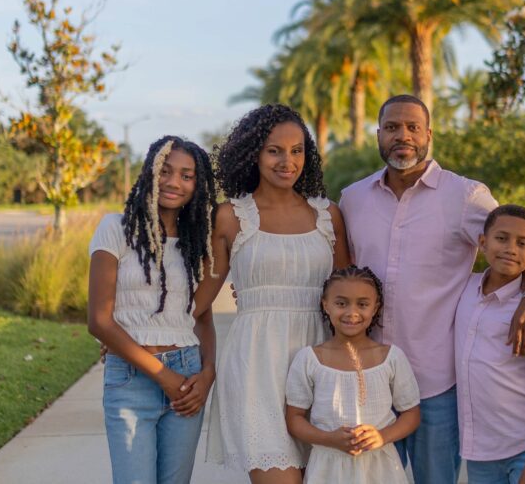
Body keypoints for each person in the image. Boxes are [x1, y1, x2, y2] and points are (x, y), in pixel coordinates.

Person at [339, 94, 525, 483]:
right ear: (378, 135)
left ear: (428, 134)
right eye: (391, 127)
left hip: (435, 383)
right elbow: (338, 275)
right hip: (367, 377)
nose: (402, 135)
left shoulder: (465, 196)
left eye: (412, 127)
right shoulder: (353, 199)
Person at [200, 104, 350, 484]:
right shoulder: (230, 217)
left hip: (321, 366)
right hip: (255, 366)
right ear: (253, 154)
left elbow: (349, 294)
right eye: (274, 150)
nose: (288, 161)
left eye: (297, 150)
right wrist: (136, 335)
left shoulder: (328, 215)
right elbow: (197, 301)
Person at [87, 136, 219, 484]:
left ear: (198, 184)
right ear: (149, 172)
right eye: (165, 170)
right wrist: (163, 376)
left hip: (189, 376)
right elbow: (99, 321)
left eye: (187, 175)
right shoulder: (115, 229)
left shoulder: (197, 243)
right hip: (131, 379)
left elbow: (200, 316)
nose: (174, 182)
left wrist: (208, 374)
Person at [456, 205, 525, 484]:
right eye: (501, 238)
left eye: (522, 243)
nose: (511, 249)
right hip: (481, 451)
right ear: (482, 242)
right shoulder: (465, 290)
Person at [286, 265, 421, 484]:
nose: (352, 312)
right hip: (328, 470)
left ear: (375, 307)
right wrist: (329, 439)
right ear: (326, 305)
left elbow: (411, 414)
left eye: (362, 304)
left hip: (381, 469)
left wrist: (381, 436)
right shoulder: (310, 359)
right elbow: (294, 418)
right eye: (341, 303)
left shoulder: (391, 357)